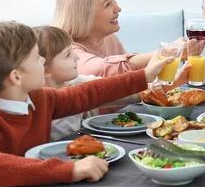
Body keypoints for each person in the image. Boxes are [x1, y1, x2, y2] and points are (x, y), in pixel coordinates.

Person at [0, 21, 179, 187]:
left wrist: (143, 76)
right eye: (36, 57)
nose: (42, 60)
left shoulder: (38, 98)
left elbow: (86, 93)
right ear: (16, 77)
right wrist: (69, 170)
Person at [33, 26, 191, 141]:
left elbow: (114, 91)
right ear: (45, 69)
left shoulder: (76, 82)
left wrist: (169, 82)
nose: (77, 57)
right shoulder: (33, 103)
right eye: (68, 55)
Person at [54, 0, 185, 78]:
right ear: (83, 15)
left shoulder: (110, 39)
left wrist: (180, 77)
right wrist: (167, 52)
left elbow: (131, 78)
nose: (118, 8)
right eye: (107, 4)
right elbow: (102, 70)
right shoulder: (65, 49)